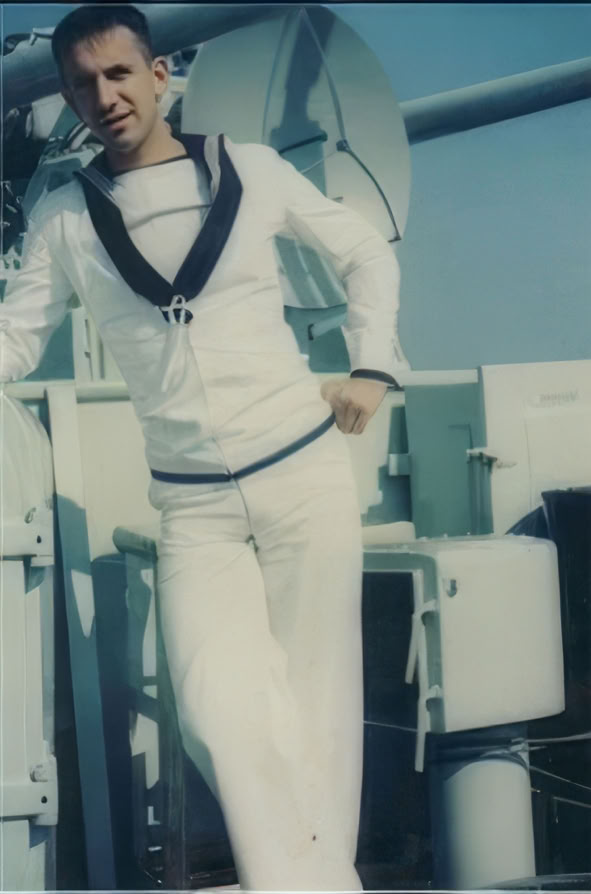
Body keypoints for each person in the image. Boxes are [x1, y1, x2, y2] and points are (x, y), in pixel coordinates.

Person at [0, 5, 410, 890]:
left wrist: (372, 366)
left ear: (158, 76)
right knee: (217, 710)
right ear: (70, 97)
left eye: (119, 73)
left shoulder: (250, 170)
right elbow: (14, 343)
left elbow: (364, 251)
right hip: (193, 505)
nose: (105, 96)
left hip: (301, 473)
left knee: (319, 709)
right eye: (83, 84)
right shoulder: (66, 219)